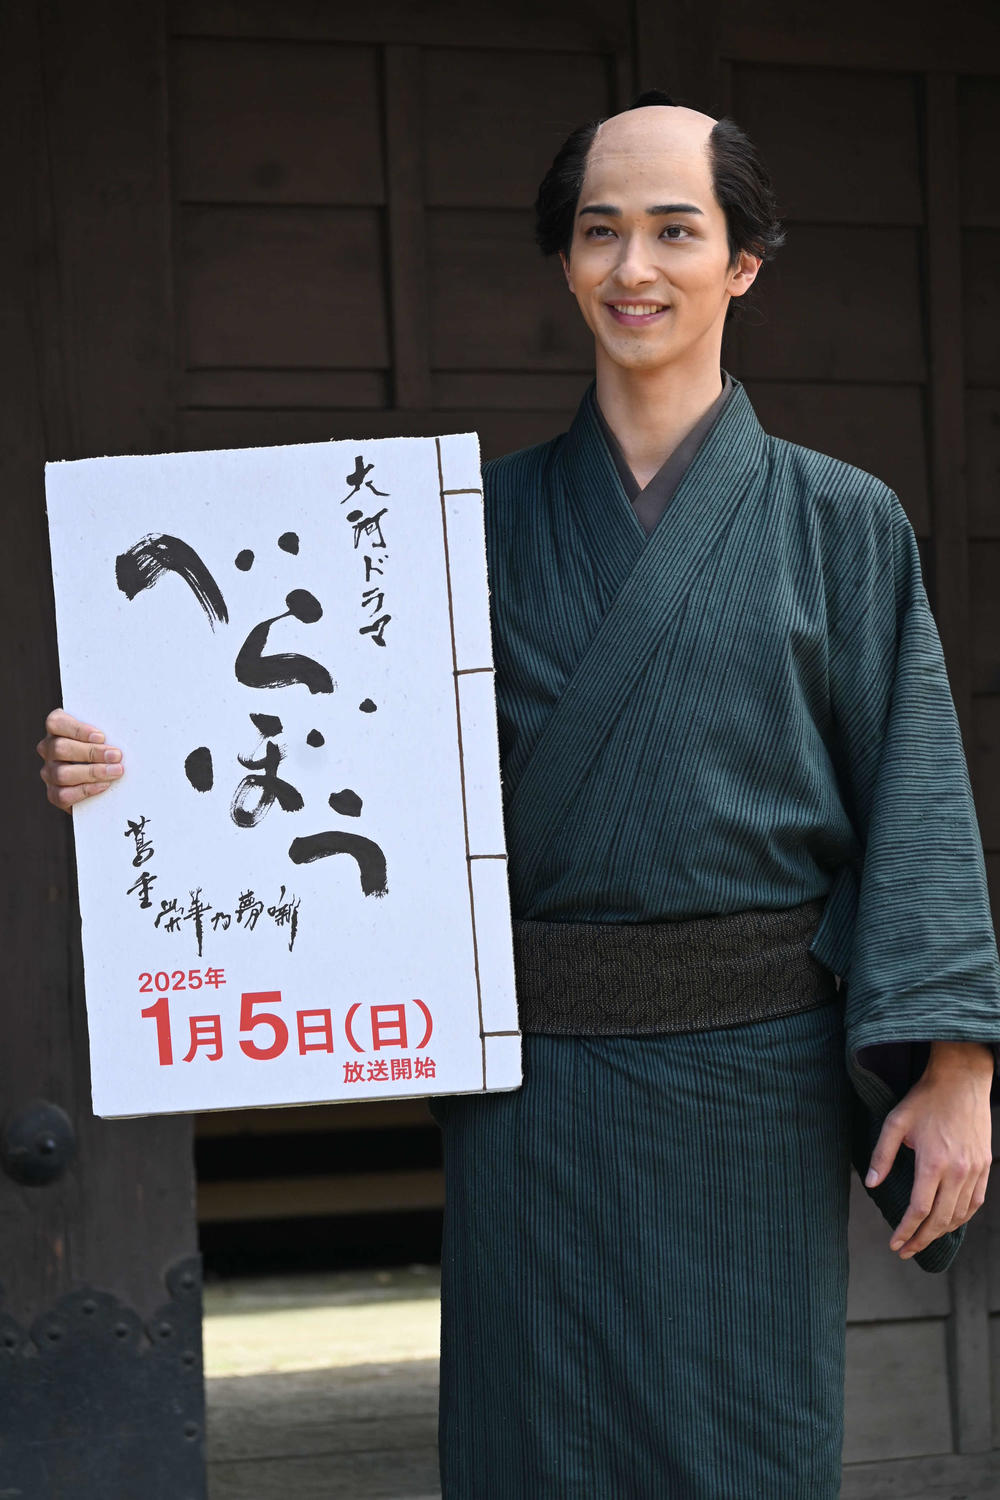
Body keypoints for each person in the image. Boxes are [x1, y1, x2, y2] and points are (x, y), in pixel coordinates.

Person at [38, 94, 999, 1497]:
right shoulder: (458, 528)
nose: (633, 267)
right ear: (564, 262)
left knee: (748, 1439)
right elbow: (303, 743)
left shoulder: (841, 522)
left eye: (676, 231)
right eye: (600, 233)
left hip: (752, 1084)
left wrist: (960, 1066)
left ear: (743, 262)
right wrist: (131, 765)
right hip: (532, 1085)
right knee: (532, 1443)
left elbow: (916, 788)